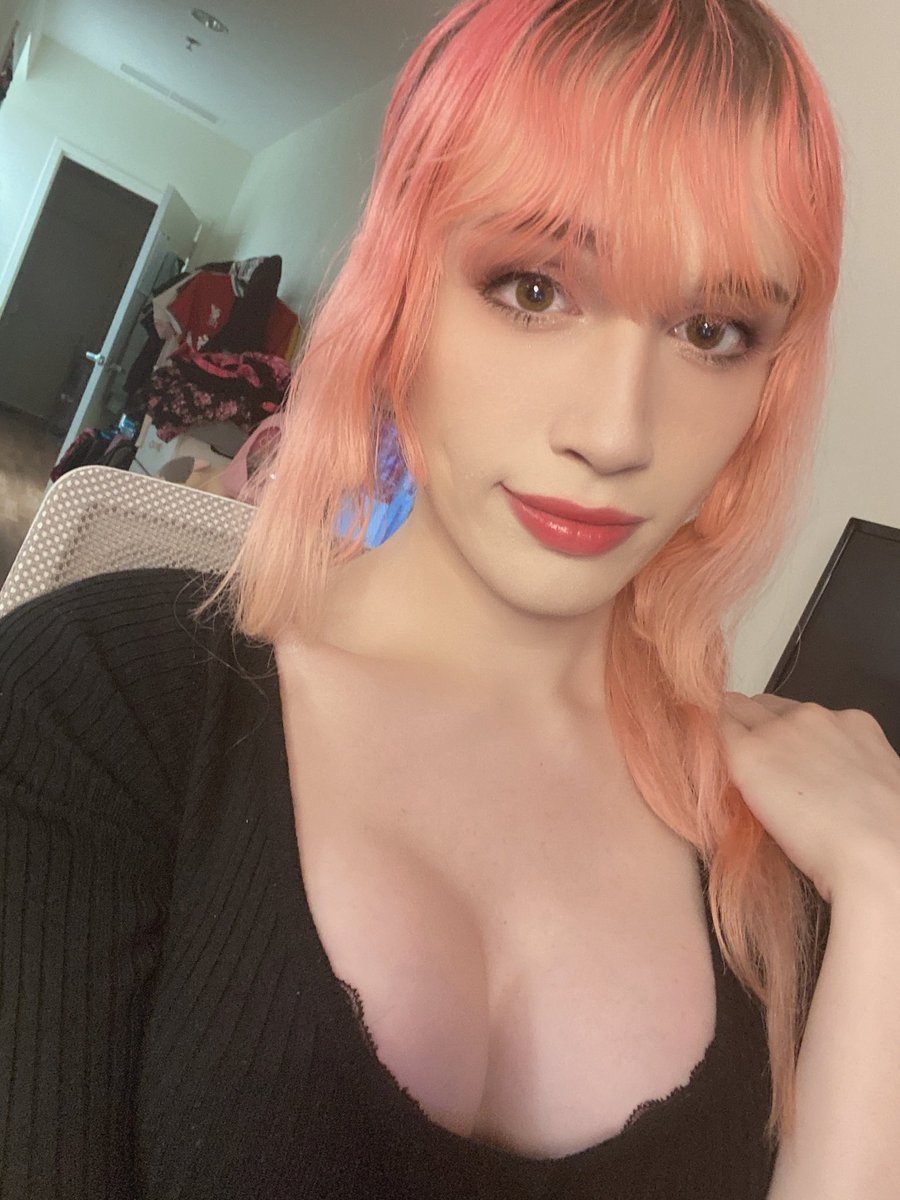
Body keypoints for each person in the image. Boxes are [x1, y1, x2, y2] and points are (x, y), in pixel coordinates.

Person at [1, 1, 899, 1197]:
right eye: (532, 289)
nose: (615, 433)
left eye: (713, 329)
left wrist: (887, 893)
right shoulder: (96, 700)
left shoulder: (778, 857)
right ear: (402, 290)